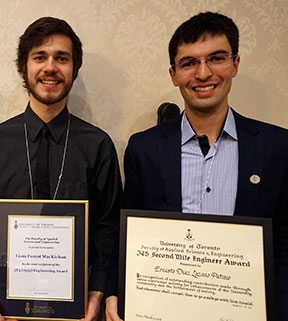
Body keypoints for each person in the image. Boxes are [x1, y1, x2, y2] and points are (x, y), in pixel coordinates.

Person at [123, 12, 288, 319]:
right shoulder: (142, 149)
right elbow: (132, 241)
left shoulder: (278, 147)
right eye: (189, 63)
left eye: (216, 58)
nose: (203, 73)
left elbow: (284, 247)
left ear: (235, 64)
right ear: (174, 74)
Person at [0, 17, 122, 321]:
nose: (50, 67)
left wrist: (97, 295)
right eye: (40, 57)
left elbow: (108, 228)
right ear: (24, 66)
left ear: (74, 69)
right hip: (4, 311)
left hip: (78, 312)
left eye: (61, 58)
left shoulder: (98, 145)